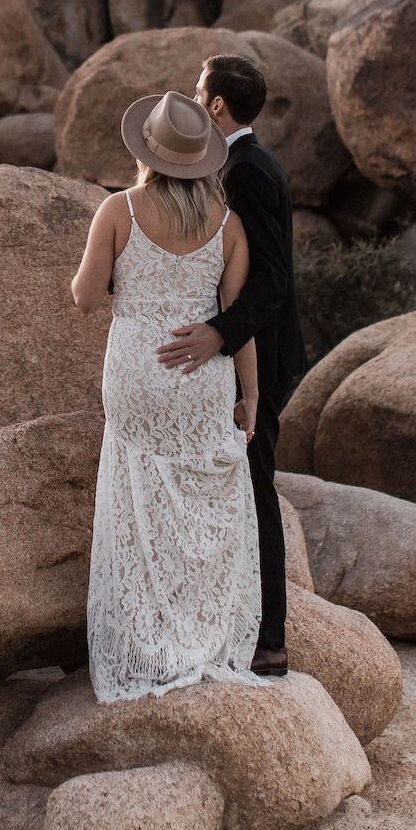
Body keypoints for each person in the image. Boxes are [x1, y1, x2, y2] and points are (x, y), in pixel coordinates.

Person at [71, 89, 265, 701]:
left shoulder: (118, 210)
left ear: (146, 151)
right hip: (202, 374)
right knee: (203, 506)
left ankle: (145, 645)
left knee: (137, 503)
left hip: (136, 372)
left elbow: (84, 297)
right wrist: (251, 394)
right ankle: (200, 638)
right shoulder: (229, 224)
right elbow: (238, 318)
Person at [157, 54, 308, 677]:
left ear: (217, 106)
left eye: (199, 92)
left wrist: (218, 335)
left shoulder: (246, 171)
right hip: (256, 352)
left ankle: (269, 639)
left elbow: (269, 281)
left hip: (260, 358)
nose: (195, 100)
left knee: (255, 490)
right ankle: (230, 620)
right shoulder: (243, 163)